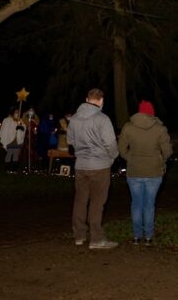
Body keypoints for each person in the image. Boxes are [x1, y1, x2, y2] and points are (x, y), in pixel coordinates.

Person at [69, 88, 119, 249]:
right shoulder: (102, 119)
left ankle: (79, 235)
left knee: (80, 200)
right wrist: (113, 157)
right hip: (99, 166)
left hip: (81, 166)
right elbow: (110, 143)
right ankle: (96, 239)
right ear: (101, 101)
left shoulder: (74, 119)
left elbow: (70, 141)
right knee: (97, 202)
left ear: (86, 99)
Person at [118, 100, 172, 246]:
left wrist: (131, 157)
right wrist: (160, 159)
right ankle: (148, 236)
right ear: (152, 113)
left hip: (134, 171)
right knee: (149, 204)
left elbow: (121, 149)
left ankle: (136, 236)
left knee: (136, 204)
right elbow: (168, 151)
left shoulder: (128, 128)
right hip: (154, 172)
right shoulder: (160, 129)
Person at [0, 107, 26, 172]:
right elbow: (5, 130)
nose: (17, 113)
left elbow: (24, 127)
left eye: (18, 112)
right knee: (9, 154)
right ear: (12, 112)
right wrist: (15, 128)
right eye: (16, 112)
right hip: (10, 140)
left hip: (17, 140)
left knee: (16, 155)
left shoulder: (20, 120)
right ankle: (7, 169)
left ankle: (14, 169)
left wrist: (21, 127)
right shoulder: (7, 120)